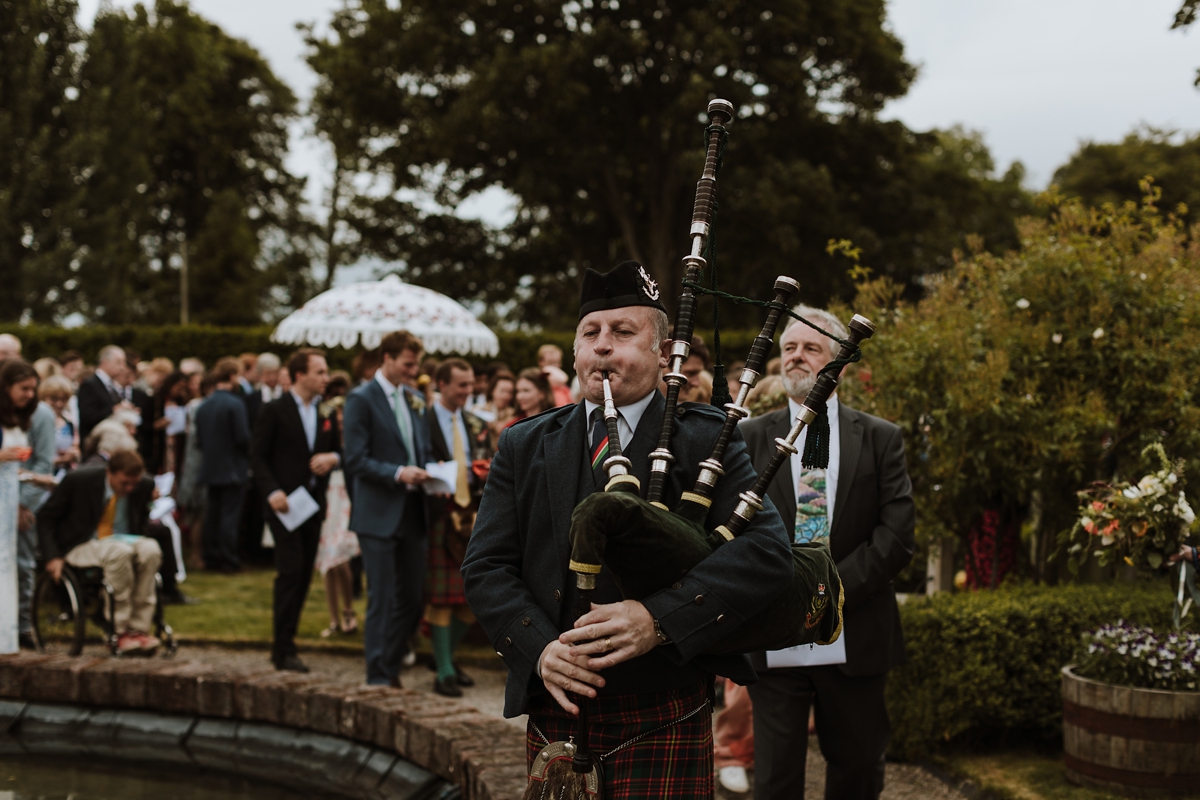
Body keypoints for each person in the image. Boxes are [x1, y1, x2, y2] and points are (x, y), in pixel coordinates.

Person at [462, 261, 794, 798]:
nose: (602, 346)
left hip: (662, 703)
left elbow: (765, 555)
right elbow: (485, 567)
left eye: (622, 332)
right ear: (574, 352)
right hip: (559, 706)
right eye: (590, 333)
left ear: (664, 354)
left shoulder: (707, 438)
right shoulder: (524, 444)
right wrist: (539, 649)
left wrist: (656, 619)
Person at [740, 306, 916, 800]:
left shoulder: (881, 438)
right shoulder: (749, 436)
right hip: (775, 629)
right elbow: (732, 529)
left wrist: (826, 594)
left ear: (839, 363)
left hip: (855, 631)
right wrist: (782, 593)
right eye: (789, 348)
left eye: (810, 347)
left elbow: (897, 535)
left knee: (857, 772)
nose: (795, 356)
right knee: (774, 780)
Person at [343, 330, 431, 687]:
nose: (414, 371)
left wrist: (432, 473)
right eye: (408, 364)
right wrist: (397, 473)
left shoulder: (414, 398)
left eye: (416, 364)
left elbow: (418, 448)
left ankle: (390, 663)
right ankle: (377, 675)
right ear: (388, 358)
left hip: (414, 508)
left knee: (413, 596)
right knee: (381, 597)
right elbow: (355, 459)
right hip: (378, 511)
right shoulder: (360, 398)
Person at [251, 348, 341, 672]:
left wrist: (333, 459)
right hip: (284, 505)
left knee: (303, 575)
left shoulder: (325, 412)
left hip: (312, 505)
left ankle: (286, 643)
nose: (325, 378)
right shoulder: (274, 409)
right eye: (320, 372)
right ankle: (283, 646)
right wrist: (272, 491)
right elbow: (257, 455)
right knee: (290, 571)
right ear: (299, 375)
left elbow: (339, 450)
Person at [37, 450, 163, 655]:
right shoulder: (78, 481)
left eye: (134, 484)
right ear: (109, 473)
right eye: (124, 483)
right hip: (82, 543)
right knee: (119, 552)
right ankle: (118, 629)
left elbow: (140, 522)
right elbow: (46, 518)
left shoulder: (144, 486)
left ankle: (139, 628)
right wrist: (52, 556)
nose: (130, 488)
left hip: (123, 540)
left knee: (151, 549)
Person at [424, 358, 493, 697]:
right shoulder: (421, 420)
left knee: (469, 595)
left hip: (472, 515)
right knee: (442, 596)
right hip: (438, 513)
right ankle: (444, 670)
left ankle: (445, 660)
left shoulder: (476, 422)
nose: (469, 390)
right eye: (462, 385)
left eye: (470, 384)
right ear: (442, 384)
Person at [1, 360, 50, 651]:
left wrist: (34, 480)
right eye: (24, 388)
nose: (30, 395)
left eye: (34, 389)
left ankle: (13, 630)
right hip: (4, 498)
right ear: (6, 387)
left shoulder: (26, 417)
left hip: (12, 496)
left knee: (14, 566)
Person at [194, 358, 252, 573]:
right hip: (232, 469)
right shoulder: (235, 404)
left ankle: (211, 557)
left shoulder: (203, 406)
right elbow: (242, 438)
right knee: (229, 517)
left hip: (210, 468)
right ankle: (229, 560)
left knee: (212, 515)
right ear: (232, 376)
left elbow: (199, 440)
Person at [315, 372, 359, 639]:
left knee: (340, 554)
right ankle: (334, 618)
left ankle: (348, 609)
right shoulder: (322, 422)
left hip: (346, 492)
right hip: (326, 492)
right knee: (327, 559)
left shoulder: (355, 423)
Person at [77, 345, 132, 441]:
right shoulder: (90, 384)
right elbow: (87, 417)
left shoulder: (112, 386)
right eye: (119, 362)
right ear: (105, 362)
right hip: (94, 442)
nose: (123, 367)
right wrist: (115, 409)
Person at [39, 376, 80, 470]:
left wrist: (74, 454)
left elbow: (76, 449)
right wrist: (61, 460)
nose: (59, 404)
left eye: (63, 399)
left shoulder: (69, 423)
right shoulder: (38, 422)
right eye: (54, 399)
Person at [479, 370, 516, 450]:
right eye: (502, 391)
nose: (506, 396)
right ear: (492, 391)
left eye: (510, 392)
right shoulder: (478, 410)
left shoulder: (514, 414)